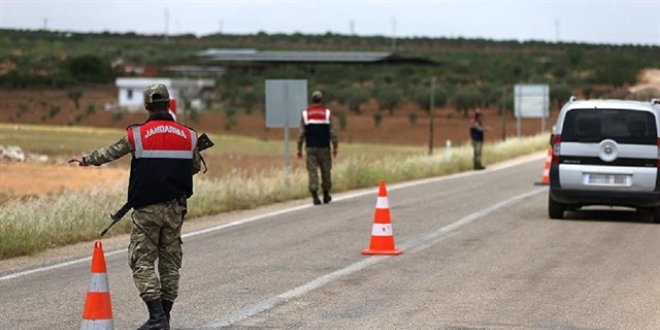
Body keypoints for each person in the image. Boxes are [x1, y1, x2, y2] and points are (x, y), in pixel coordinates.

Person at [68, 84, 201, 330]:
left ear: (147, 106)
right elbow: (193, 167)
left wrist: (86, 160)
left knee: (142, 262)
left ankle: (157, 318)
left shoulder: (137, 135)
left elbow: (110, 152)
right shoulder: (189, 136)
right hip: (176, 210)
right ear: (168, 104)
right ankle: (165, 318)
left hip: (147, 209)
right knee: (170, 264)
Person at [297, 90, 339, 205]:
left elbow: (301, 133)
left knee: (312, 171)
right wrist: (335, 146)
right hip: (324, 147)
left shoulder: (305, 114)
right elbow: (332, 132)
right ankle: (326, 195)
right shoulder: (327, 113)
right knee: (326, 170)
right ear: (321, 100)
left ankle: (315, 196)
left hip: (310, 147)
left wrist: (299, 148)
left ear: (312, 100)